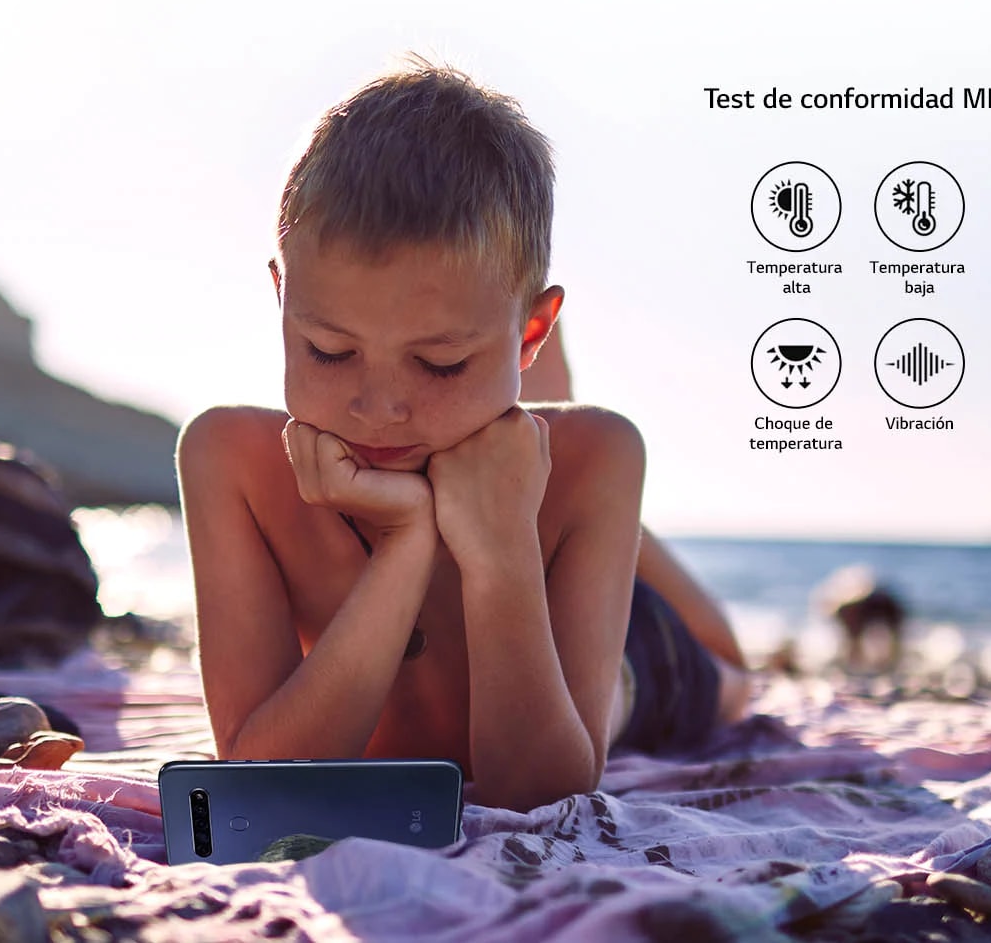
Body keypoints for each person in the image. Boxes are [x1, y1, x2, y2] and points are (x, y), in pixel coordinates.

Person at [177, 57, 748, 811]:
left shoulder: (600, 455)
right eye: (329, 351)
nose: (378, 409)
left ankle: (540, 422)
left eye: (439, 363)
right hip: (522, 468)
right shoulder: (230, 460)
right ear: (283, 297)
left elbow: (540, 788)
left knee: (735, 676)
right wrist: (405, 542)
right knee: (526, 432)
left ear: (534, 327)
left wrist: (504, 547)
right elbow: (262, 777)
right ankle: (505, 389)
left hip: (621, 655)